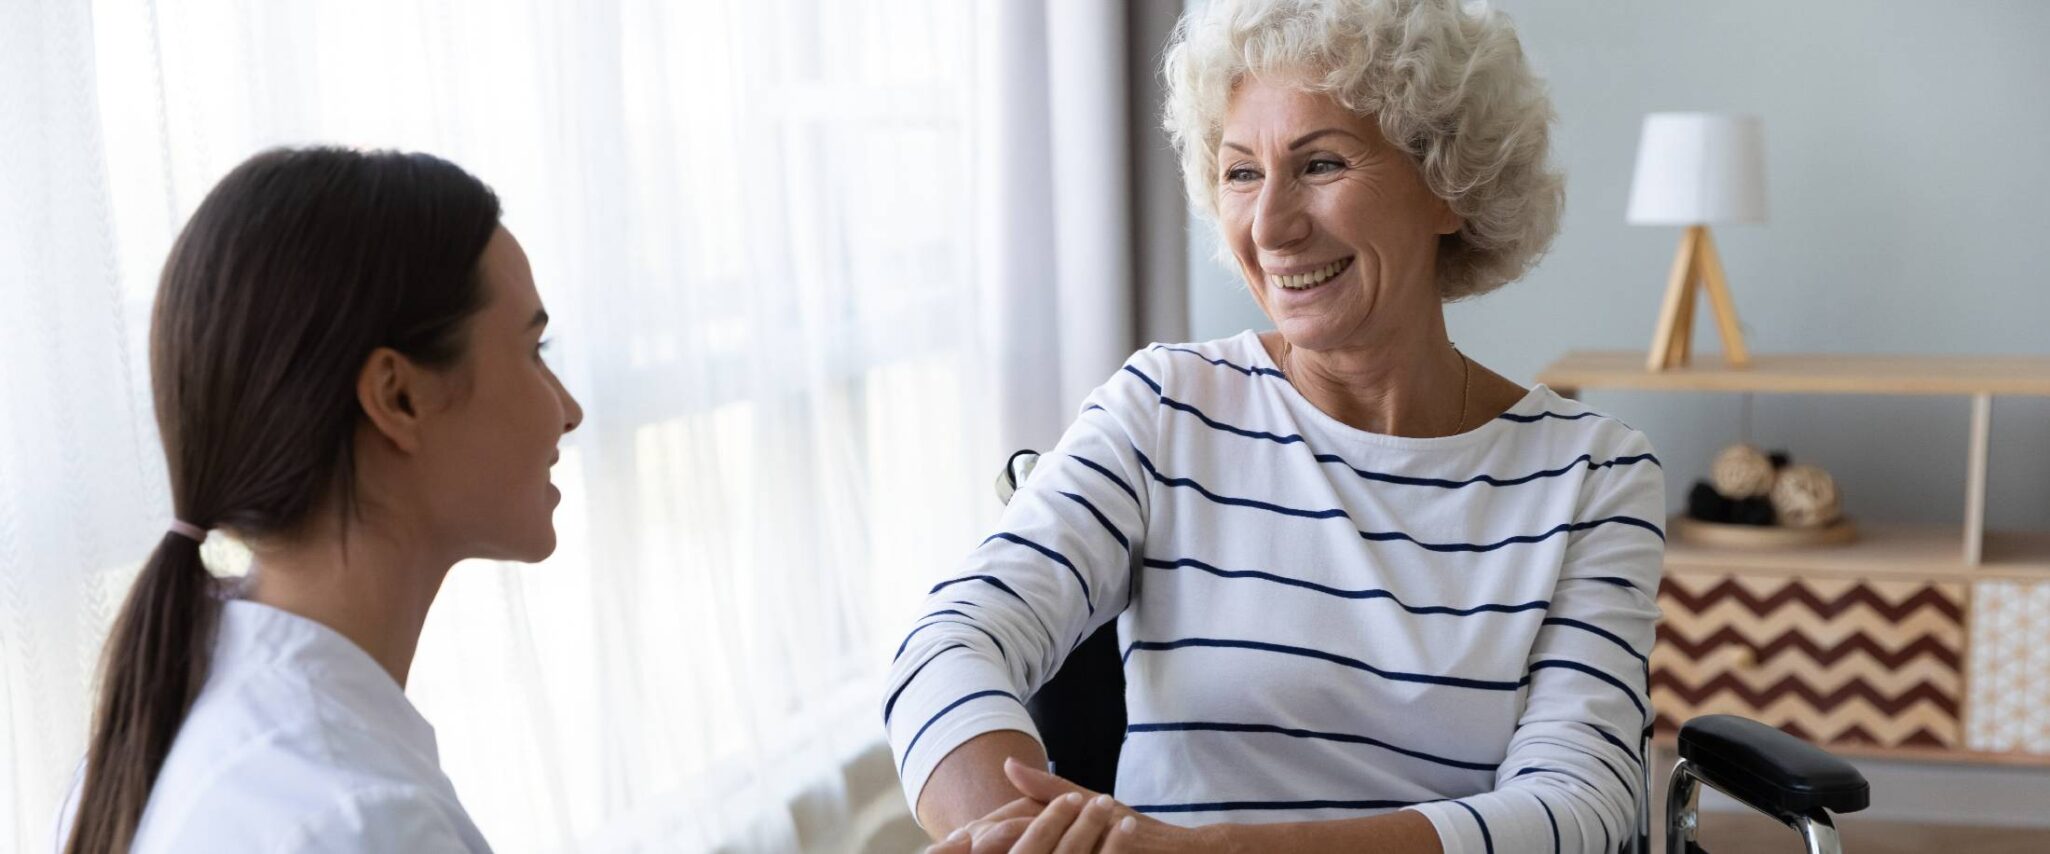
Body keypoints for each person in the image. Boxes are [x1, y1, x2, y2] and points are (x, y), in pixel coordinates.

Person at [889, 1, 1663, 851]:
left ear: (1449, 183)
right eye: (1240, 173)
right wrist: (1019, 837)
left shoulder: (1593, 476)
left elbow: (1578, 806)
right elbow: (950, 642)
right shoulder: (1164, 408)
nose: (1270, 227)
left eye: (1321, 163)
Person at [56, 147, 582, 853]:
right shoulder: (358, 821)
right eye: (534, 350)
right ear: (398, 398)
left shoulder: (165, 730)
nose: (568, 411)